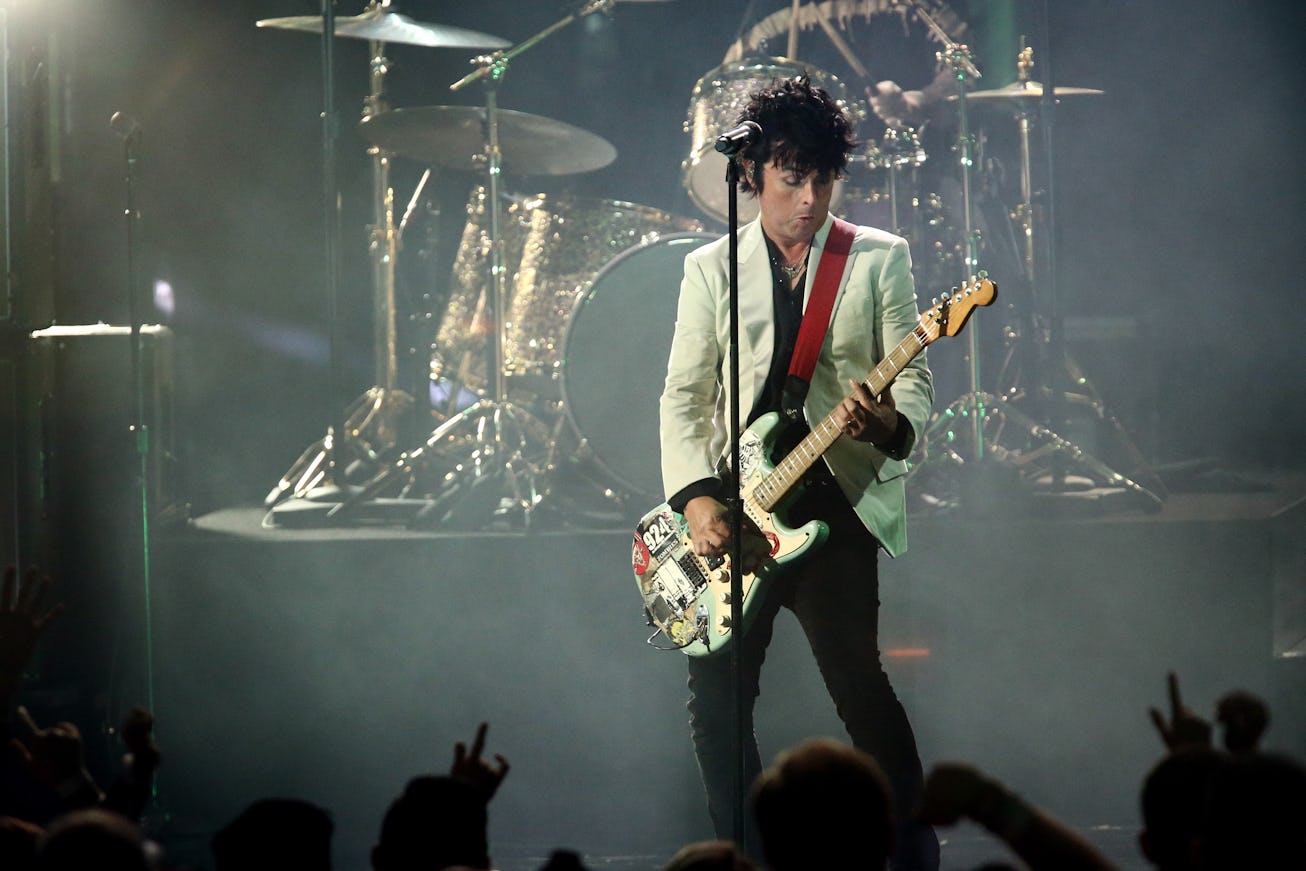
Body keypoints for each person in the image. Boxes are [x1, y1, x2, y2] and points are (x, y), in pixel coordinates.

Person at [658, 76, 936, 869]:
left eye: (822, 178)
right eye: (790, 178)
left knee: (861, 690)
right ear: (752, 175)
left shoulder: (879, 258)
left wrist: (884, 421)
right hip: (736, 514)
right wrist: (698, 499)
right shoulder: (710, 268)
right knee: (716, 708)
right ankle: (741, 857)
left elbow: (910, 382)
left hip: (835, 501)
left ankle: (914, 856)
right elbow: (684, 396)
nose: (809, 198)